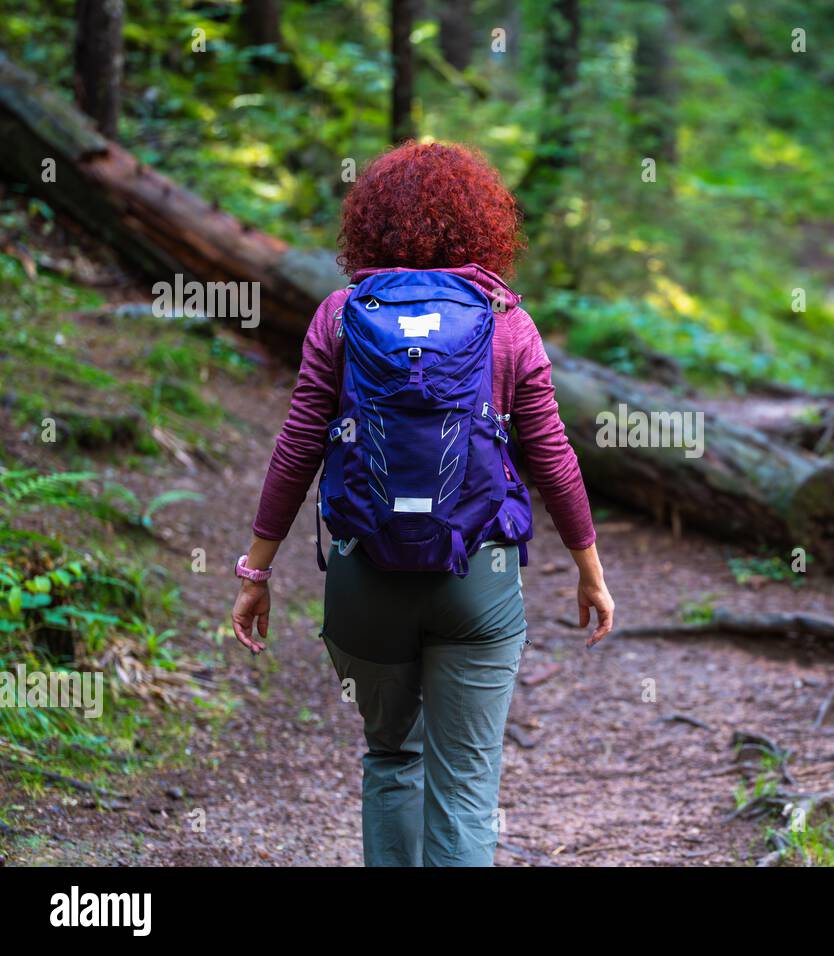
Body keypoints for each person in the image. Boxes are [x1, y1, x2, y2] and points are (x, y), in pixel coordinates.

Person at [229, 142, 615, 866]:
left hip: (363, 577)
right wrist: (588, 568)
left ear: (368, 225)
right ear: (485, 226)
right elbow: (553, 459)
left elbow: (297, 447)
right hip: (478, 579)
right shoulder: (507, 322)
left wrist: (256, 570)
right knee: (466, 785)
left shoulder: (341, 317)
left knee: (390, 758)